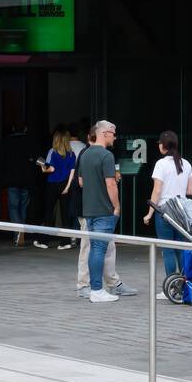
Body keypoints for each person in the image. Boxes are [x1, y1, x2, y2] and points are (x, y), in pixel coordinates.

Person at [75, 126, 124, 299]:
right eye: (113, 134)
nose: (115, 138)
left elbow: (81, 182)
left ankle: (96, 288)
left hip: (89, 209)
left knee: (95, 248)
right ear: (104, 134)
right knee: (99, 249)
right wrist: (116, 206)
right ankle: (97, 290)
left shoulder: (85, 154)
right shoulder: (106, 155)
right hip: (104, 209)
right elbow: (110, 184)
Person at [143, 130, 192, 289]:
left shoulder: (161, 164)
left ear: (162, 146)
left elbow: (157, 191)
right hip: (182, 210)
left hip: (165, 210)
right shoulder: (185, 163)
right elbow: (190, 191)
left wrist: (150, 213)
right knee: (180, 248)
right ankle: (185, 286)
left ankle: (171, 287)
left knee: (168, 250)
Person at [34, 129, 75, 250]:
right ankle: (66, 242)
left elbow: (50, 169)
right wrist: (67, 187)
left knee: (49, 213)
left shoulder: (52, 151)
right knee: (65, 214)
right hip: (65, 184)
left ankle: (44, 241)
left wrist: (42, 167)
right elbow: (72, 171)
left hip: (52, 184)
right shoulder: (72, 154)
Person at [0, 122, 37, 247]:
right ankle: (21, 232)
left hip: (11, 180)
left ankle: (18, 233)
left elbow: (1, 162)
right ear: (25, 128)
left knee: (13, 207)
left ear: (13, 129)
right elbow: (36, 160)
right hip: (26, 180)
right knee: (23, 207)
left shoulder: (6, 142)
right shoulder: (31, 141)